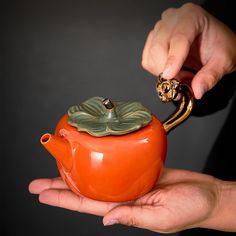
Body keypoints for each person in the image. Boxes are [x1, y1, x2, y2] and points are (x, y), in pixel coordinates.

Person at [29, 2, 236, 234]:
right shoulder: (68, 128)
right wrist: (197, 63)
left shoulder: (147, 128)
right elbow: (215, 88)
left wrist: (222, 205)